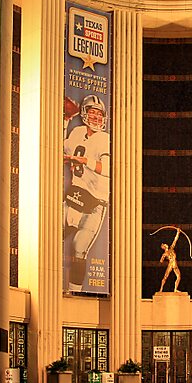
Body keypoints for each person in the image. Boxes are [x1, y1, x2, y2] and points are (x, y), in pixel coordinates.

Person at [63, 94, 111, 291]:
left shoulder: (105, 138)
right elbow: (62, 148)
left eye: (99, 114)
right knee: (51, 234)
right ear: (84, 113)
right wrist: (65, 121)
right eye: (92, 112)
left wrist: (85, 162)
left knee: (79, 247)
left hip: (95, 203)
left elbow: (109, 168)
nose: (96, 117)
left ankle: (75, 292)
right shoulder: (77, 131)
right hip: (75, 195)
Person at [159, 227, 182, 293]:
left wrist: (178, 232)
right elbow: (161, 261)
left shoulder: (171, 248)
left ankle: (175, 289)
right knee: (165, 276)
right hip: (171, 264)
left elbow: (175, 240)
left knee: (179, 276)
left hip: (175, 264)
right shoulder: (165, 253)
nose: (166, 244)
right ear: (164, 247)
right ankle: (161, 289)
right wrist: (163, 257)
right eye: (164, 245)